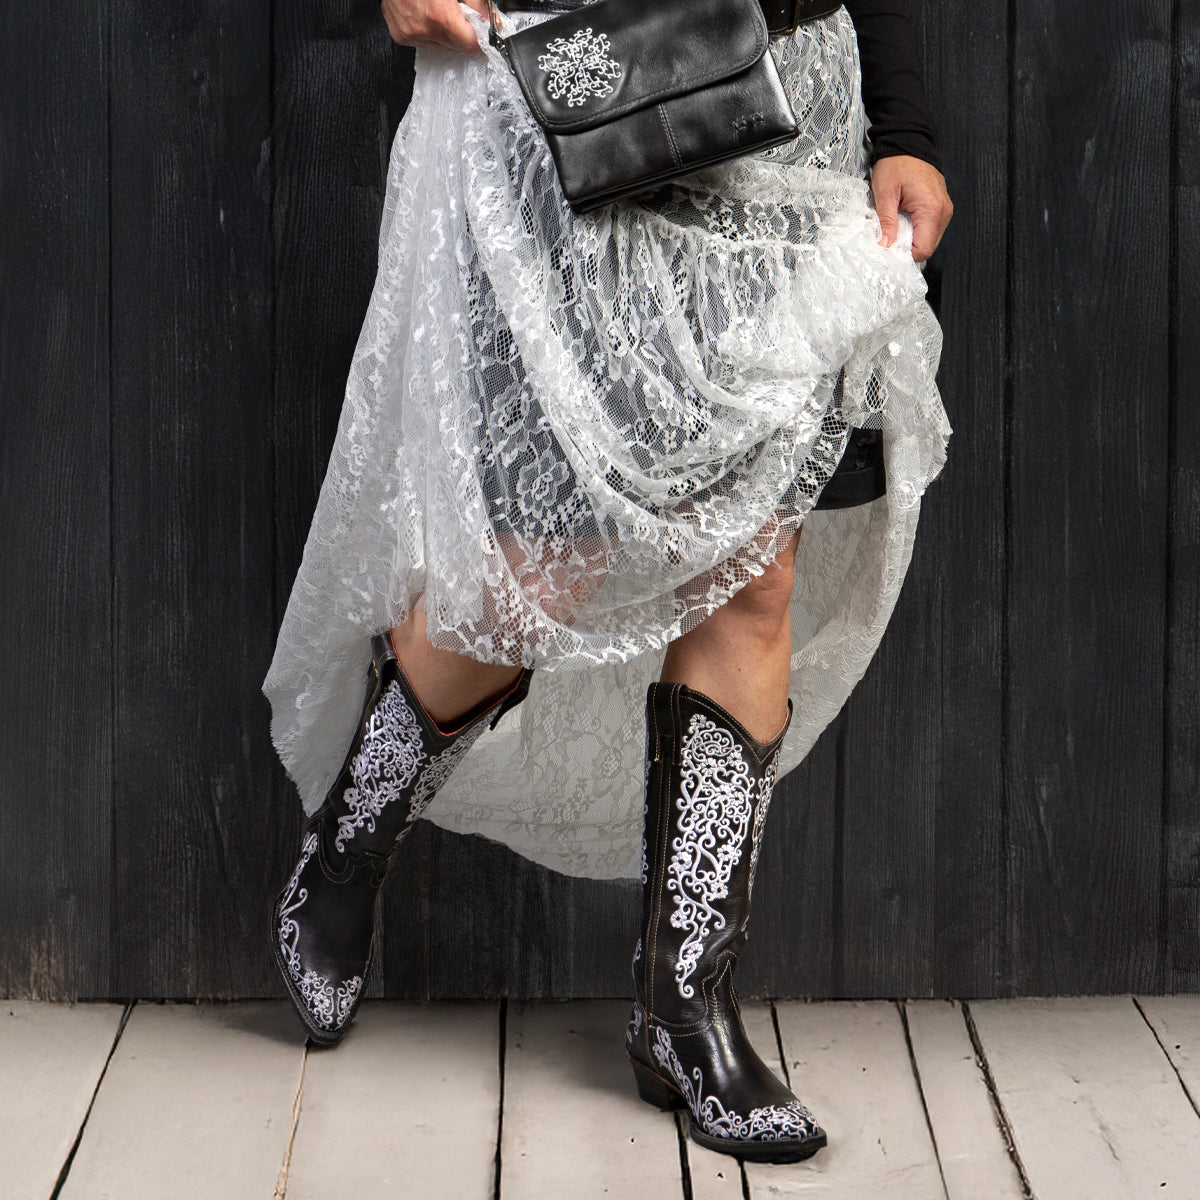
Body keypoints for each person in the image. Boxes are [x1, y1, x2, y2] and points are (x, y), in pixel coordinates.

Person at [267, 0, 952, 1164]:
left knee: (756, 571)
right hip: (576, 96)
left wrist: (910, 122)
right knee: (545, 566)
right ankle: (349, 847)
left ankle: (683, 1013)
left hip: (791, 111)